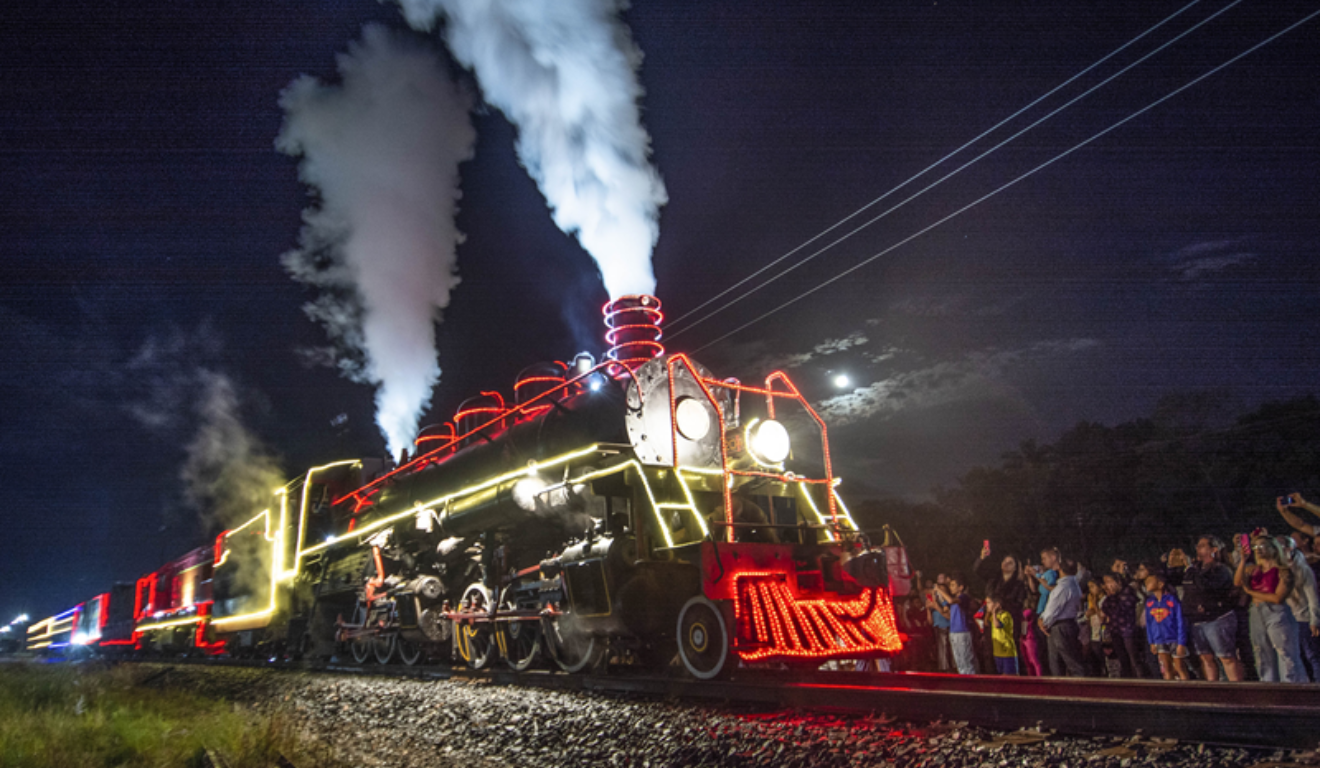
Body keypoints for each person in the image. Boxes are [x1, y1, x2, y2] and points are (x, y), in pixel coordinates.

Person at [1166, 535, 1244, 681]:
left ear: (1214, 549)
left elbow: (1206, 587)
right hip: (1196, 620)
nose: (1197, 548)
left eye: (1202, 545)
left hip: (1216, 619)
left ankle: (1238, 691)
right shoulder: (1195, 569)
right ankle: (1213, 691)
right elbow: (1173, 581)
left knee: (1226, 657)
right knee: (1205, 658)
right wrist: (1171, 566)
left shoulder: (1221, 570)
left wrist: (1189, 567)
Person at [1235, 534, 1305, 683]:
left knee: (1285, 652)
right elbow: (1237, 582)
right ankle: (1268, 687)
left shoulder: (1283, 571)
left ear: (1274, 549)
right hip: (1256, 610)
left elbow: (1278, 598)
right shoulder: (1253, 569)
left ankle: (1290, 688)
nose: (1258, 550)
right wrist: (1243, 560)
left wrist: (1250, 592)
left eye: (1262, 546)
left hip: (1276, 612)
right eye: (1255, 547)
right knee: (1261, 652)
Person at [1279, 535, 1320, 681]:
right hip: (1285, 619)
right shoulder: (1276, 569)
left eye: (1281, 546)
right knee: (1296, 657)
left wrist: (1314, 620)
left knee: (1312, 656)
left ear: (1290, 548)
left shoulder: (1303, 569)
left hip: (1302, 618)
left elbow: (1312, 597)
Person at [1037, 559, 1085, 677]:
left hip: (1060, 627)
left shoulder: (1063, 587)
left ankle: (1081, 689)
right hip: (1068, 624)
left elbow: (1053, 609)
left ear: (1060, 568)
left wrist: (1043, 622)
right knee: (1061, 662)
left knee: (1066, 663)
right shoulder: (1074, 584)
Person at [1143, 566, 1191, 680]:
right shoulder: (1149, 602)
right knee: (1166, 668)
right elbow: (1149, 624)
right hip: (1159, 639)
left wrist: (1181, 643)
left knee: (1180, 667)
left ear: (1160, 584)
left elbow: (1180, 621)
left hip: (1174, 638)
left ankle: (1187, 692)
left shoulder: (1172, 600)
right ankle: (1169, 693)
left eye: (1150, 581)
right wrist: (1152, 642)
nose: (1147, 583)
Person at [1100, 572, 1146, 678]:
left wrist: (1113, 600)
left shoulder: (1128, 592)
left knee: (1134, 660)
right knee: (1122, 659)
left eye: (1110, 582)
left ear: (1118, 582)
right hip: (1115, 630)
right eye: (1106, 583)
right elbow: (1105, 607)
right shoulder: (1111, 597)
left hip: (1128, 631)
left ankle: (1142, 682)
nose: (1107, 585)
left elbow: (1120, 609)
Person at [1025, 548, 1061, 674]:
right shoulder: (1045, 574)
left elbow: (1049, 588)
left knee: (1048, 649)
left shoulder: (1051, 573)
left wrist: (1036, 575)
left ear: (1053, 558)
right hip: (1040, 612)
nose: (1042, 561)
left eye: (1044, 558)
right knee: (1041, 648)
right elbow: (1035, 590)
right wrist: (1030, 577)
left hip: (1047, 612)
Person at [933, 573, 978, 675]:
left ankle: (971, 682)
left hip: (963, 632)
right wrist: (936, 606)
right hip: (953, 632)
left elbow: (951, 600)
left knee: (966, 660)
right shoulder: (952, 601)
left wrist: (939, 589)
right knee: (959, 661)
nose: (951, 587)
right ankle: (964, 682)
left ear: (960, 587)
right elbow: (948, 615)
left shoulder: (963, 597)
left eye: (953, 585)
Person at [985, 594, 1018, 675]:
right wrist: (989, 612)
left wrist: (993, 612)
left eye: (989, 603)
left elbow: (997, 625)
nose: (987, 605)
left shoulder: (1006, 615)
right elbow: (985, 621)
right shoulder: (994, 616)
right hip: (997, 652)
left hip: (1007, 652)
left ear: (997, 604)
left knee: (1009, 675)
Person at [924, 576, 952, 672]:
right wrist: (928, 609)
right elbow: (930, 621)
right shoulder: (933, 603)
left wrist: (936, 607)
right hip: (937, 628)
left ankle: (949, 670)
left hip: (947, 627)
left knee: (947, 651)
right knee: (940, 651)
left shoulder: (945, 603)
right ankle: (943, 670)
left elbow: (948, 616)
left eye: (941, 591)